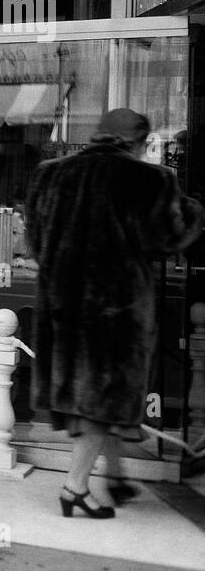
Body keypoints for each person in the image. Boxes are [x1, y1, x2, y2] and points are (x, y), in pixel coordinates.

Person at [26, 108, 202, 519]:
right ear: (138, 142)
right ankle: (75, 488)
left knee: (85, 398)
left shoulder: (50, 173)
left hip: (62, 309)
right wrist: (193, 211)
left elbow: (35, 241)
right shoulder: (150, 180)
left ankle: (117, 476)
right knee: (101, 402)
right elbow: (167, 238)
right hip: (115, 314)